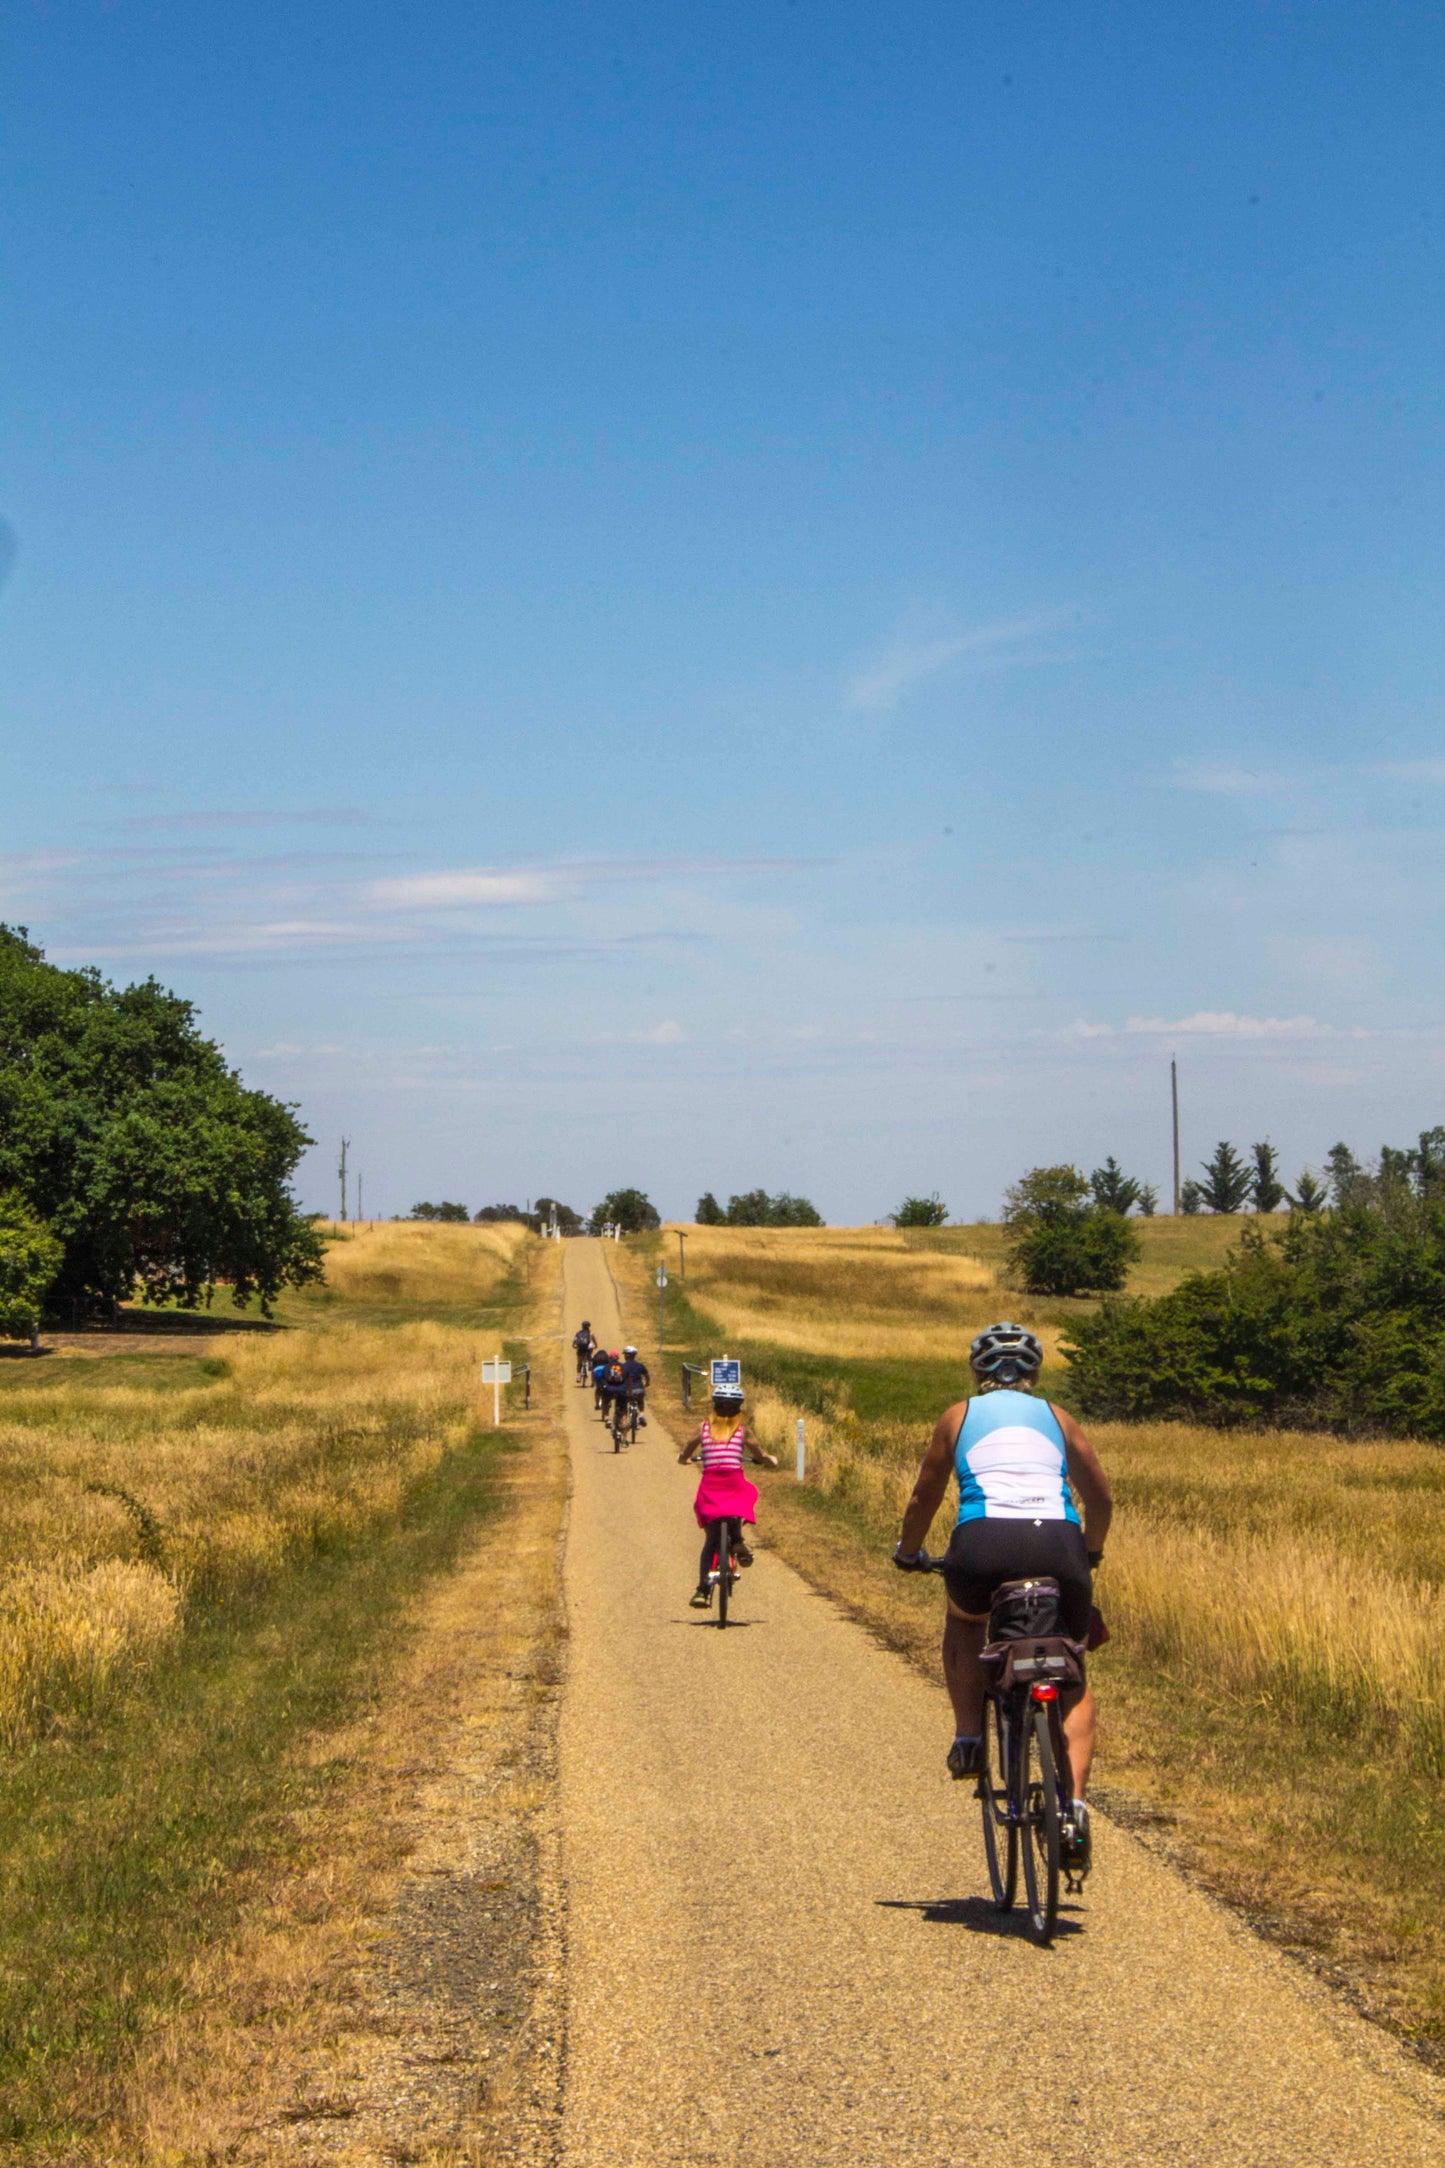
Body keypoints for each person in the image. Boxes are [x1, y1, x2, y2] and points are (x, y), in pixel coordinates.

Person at [892, 1320, 1112, 1875]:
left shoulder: (958, 1416)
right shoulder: (1058, 1417)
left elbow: (925, 1495)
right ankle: (1075, 1809)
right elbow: (1100, 1497)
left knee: (966, 1622)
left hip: (982, 1541)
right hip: (1059, 1543)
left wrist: (908, 1550)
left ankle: (969, 1737)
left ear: (977, 1371)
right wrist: (1089, 1554)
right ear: (1034, 1373)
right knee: (1072, 1664)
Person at [678, 1386, 778, 1607]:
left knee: (711, 1540)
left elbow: (688, 1448)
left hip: (711, 1483)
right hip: (733, 1481)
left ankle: (702, 1590)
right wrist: (768, 1460)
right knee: (743, 1498)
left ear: (715, 1406)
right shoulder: (743, 1430)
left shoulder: (704, 1427)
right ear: (738, 1408)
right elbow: (759, 1453)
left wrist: (683, 1458)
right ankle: (738, 1541)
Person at [617, 1344, 650, 1427]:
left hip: (627, 1390)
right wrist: (647, 1383)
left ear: (627, 1355)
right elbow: (647, 1376)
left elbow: (619, 1378)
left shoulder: (623, 1366)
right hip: (639, 1389)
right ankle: (641, 1414)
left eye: (625, 1354)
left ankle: (625, 1420)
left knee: (624, 1403)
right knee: (640, 1400)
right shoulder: (640, 1365)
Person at [591, 1345, 612, 1414]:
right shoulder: (607, 1358)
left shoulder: (595, 1359)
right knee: (609, 1388)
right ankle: (609, 1401)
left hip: (598, 1375)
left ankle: (597, 1404)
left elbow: (592, 1371)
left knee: (597, 1390)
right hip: (606, 1374)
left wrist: (592, 1382)